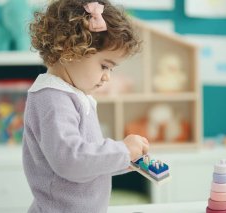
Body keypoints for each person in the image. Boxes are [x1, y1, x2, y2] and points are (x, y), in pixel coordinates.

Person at [22, 0, 148, 212]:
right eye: (105, 66)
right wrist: (122, 150)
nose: (107, 77)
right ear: (71, 49)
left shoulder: (72, 95)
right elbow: (71, 161)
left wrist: (125, 160)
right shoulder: (52, 99)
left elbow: (86, 163)